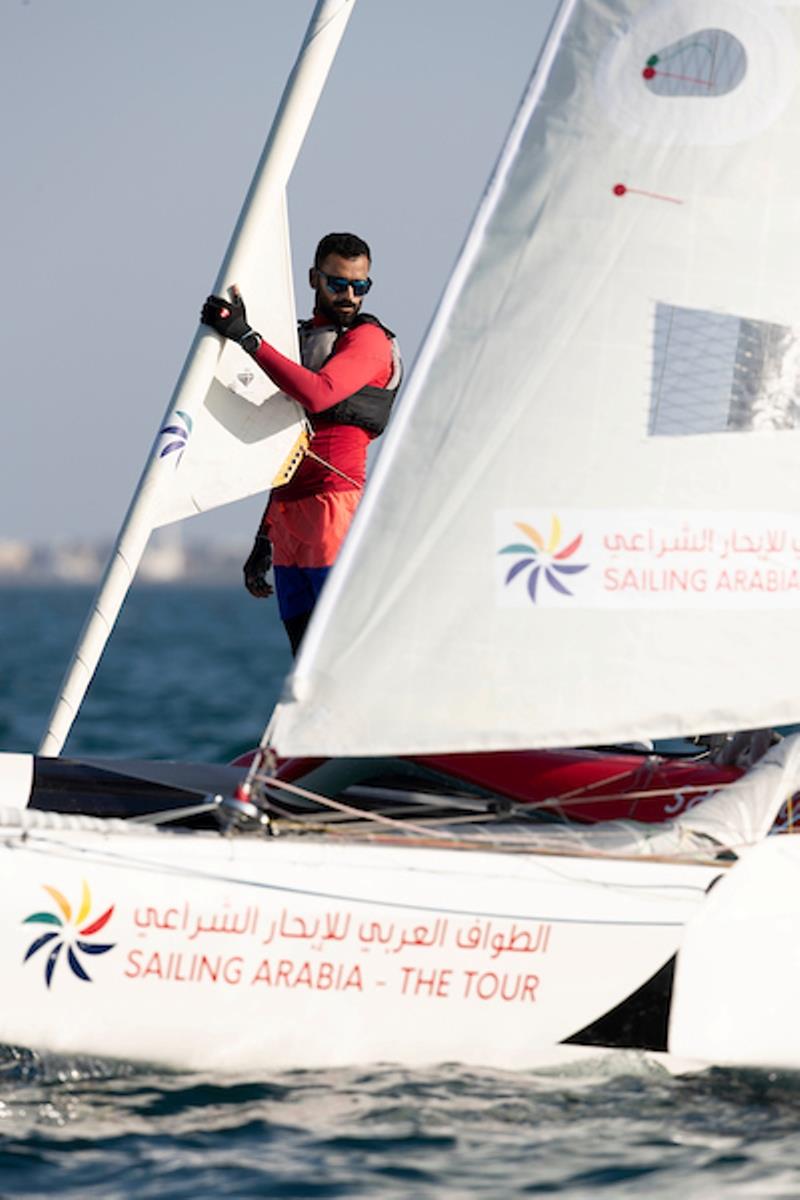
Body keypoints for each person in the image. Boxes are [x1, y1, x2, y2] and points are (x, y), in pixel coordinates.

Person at [201, 232, 402, 654]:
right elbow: (284, 446)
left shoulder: (368, 341)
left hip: (334, 508)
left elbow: (320, 394)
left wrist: (247, 338)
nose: (349, 295)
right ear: (314, 278)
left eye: (360, 286)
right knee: (301, 656)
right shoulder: (302, 340)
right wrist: (264, 536)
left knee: (333, 657)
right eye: (338, 283)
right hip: (290, 518)